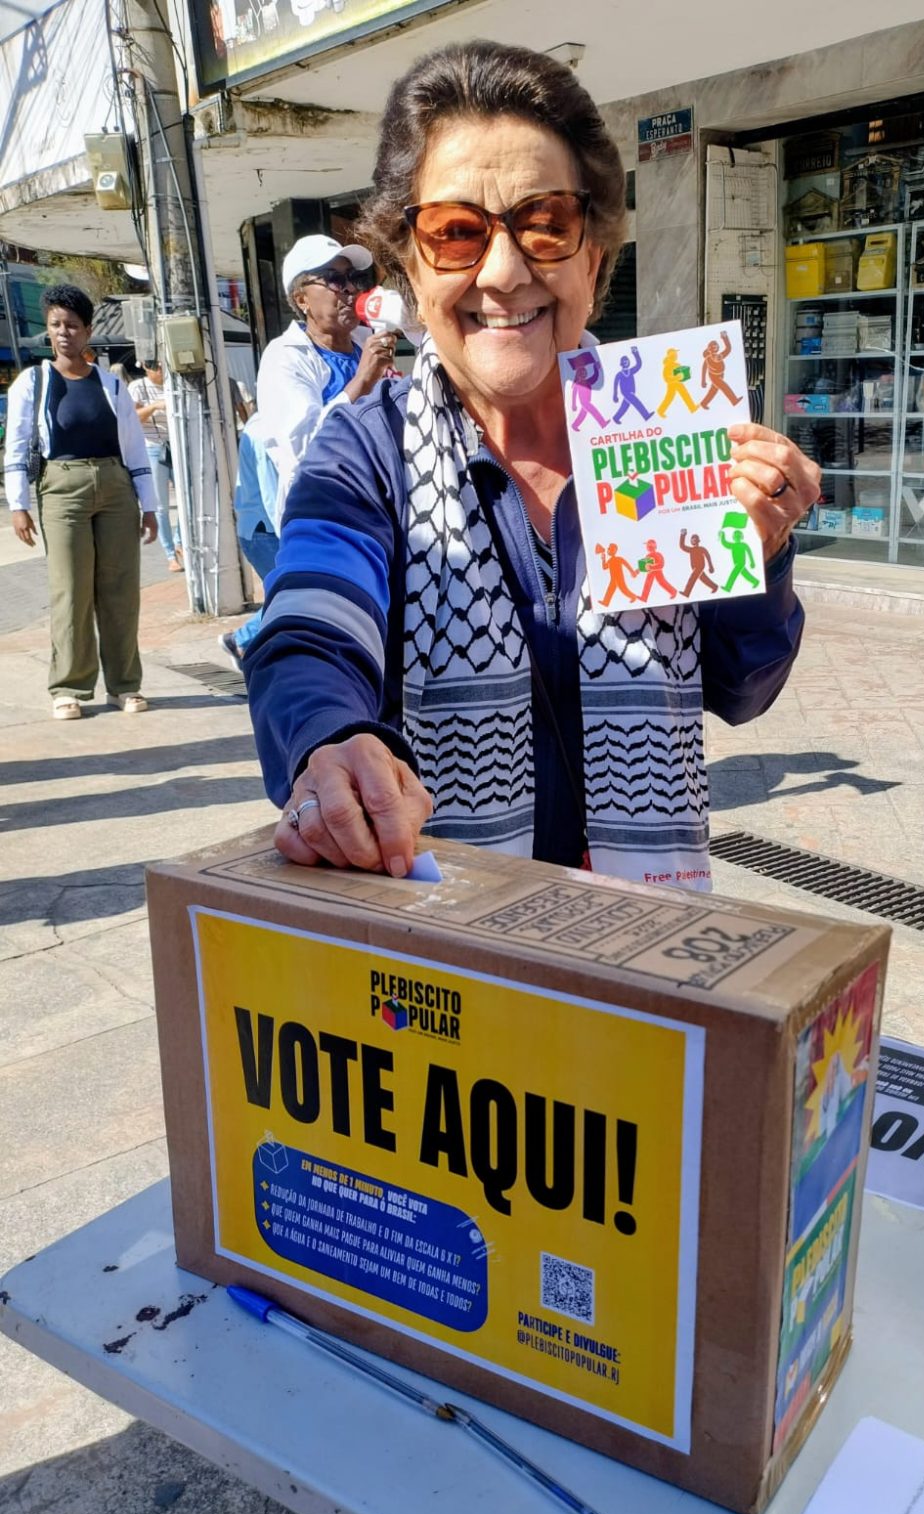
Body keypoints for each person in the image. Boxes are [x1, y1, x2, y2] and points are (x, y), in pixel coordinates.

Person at [244, 40, 817, 889]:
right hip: (452, 960)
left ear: (594, 255)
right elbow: (310, 630)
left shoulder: (666, 429)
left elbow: (742, 688)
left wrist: (761, 553)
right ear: (407, 261)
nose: (505, 272)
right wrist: (332, 742)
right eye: (456, 232)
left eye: (546, 223)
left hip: (644, 939)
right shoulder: (365, 452)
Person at [218, 233, 399, 667]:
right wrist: (362, 382)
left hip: (367, 510)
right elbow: (303, 445)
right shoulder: (284, 357)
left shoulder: (363, 348)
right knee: (321, 615)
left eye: (351, 279)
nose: (348, 290)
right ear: (301, 298)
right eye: (333, 280)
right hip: (309, 514)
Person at [4, 284, 158, 719]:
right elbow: (16, 447)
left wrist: (149, 507)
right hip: (61, 486)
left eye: (72, 325)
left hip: (114, 485)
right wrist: (18, 505)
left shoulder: (110, 384)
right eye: (55, 325)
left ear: (88, 331)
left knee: (120, 592)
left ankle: (125, 684)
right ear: (48, 332)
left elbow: (135, 449)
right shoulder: (32, 382)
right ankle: (69, 687)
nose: (63, 333)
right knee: (70, 589)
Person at [129, 360, 183, 571]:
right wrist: (153, 407)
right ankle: (170, 553)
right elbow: (132, 418)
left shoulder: (175, 383)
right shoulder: (137, 387)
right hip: (153, 446)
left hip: (177, 446)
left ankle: (180, 542)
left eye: (162, 366)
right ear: (144, 367)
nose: (159, 371)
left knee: (184, 500)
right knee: (159, 504)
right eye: (153, 367)